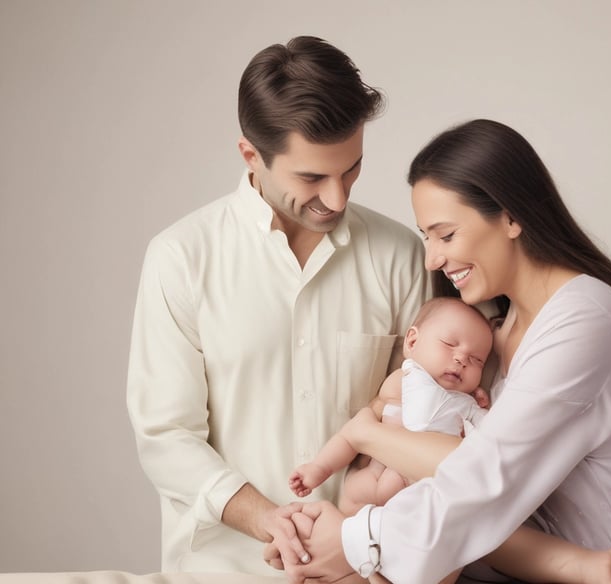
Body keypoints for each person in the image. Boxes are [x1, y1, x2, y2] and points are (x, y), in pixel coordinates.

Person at [266, 119, 611, 584]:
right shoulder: (490, 335)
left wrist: (354, 537)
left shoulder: (584, 321)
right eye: (427, 237)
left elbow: (483, 482)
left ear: (510, 216)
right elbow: (481, 513)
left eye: (445, 235)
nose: (431, 259)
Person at [125, 36, 428, 576]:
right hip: (224, 572)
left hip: (361, 570)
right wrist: (266, 518)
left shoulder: (400, 254)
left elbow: (421, 423)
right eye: (311, 177)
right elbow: (166, 437)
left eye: (351, 168)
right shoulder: (181, 258)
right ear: (251, 155)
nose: (337, 198)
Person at [289, 297, 493, 516]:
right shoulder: (399, 383)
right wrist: (320, 468)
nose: (461, 359)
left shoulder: (463, 402)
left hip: (413, 497)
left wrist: (478, 405)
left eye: (476, 360)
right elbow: (352, 434)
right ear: (413, 342)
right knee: (345, 517)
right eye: (449, 344)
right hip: (368, 482)